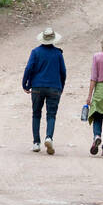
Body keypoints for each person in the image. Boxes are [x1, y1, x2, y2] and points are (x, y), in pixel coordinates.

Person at [23, 26, 67, 154]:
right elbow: (63, 72)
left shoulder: (35, 52)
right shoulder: (58, 53)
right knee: (51, 115)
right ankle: (49, 137)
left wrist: (25, 84)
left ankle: (36, 142)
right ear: (53, 40)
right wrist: (61, 86)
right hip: (54, 87)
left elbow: (29, 68)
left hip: (37, 87)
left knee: (36, 114)